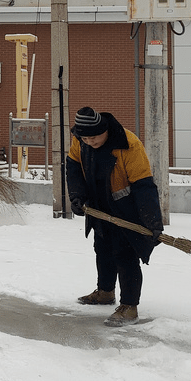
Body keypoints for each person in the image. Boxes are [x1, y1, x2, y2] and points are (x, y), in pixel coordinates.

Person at [65, 106, 164, 327]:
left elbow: (143, 185)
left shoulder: (128, 144)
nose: (89, 142)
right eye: (85, 138)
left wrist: (152, 221)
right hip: (99, 206)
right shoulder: (79, 140)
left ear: (104, 130)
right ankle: (105, 292)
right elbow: (73, 166)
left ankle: (129, 306)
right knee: (102, 248)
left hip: (126, 209)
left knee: (125, 254)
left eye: (94, 137)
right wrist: (77, 196)